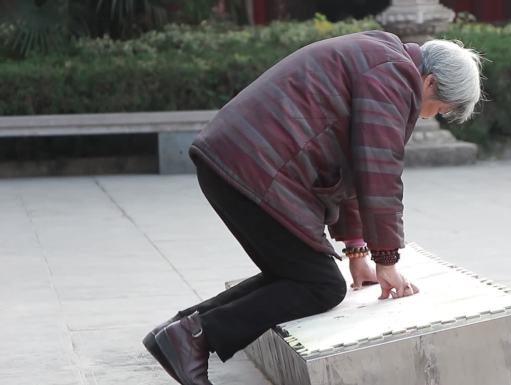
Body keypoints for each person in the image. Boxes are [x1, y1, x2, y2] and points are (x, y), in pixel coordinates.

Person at [142, 30, 482, 385]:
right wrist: (388, 262)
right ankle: (194, 337)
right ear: (430, 81)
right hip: (256, 170)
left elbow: (354, 166)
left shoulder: (383, 57)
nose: (430, 117)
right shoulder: (395, 75)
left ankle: (178, 332)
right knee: (321, 286)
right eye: (440, 109)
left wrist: (357, 252)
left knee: (297, 273)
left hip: (238, 162)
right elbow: (378, 171)